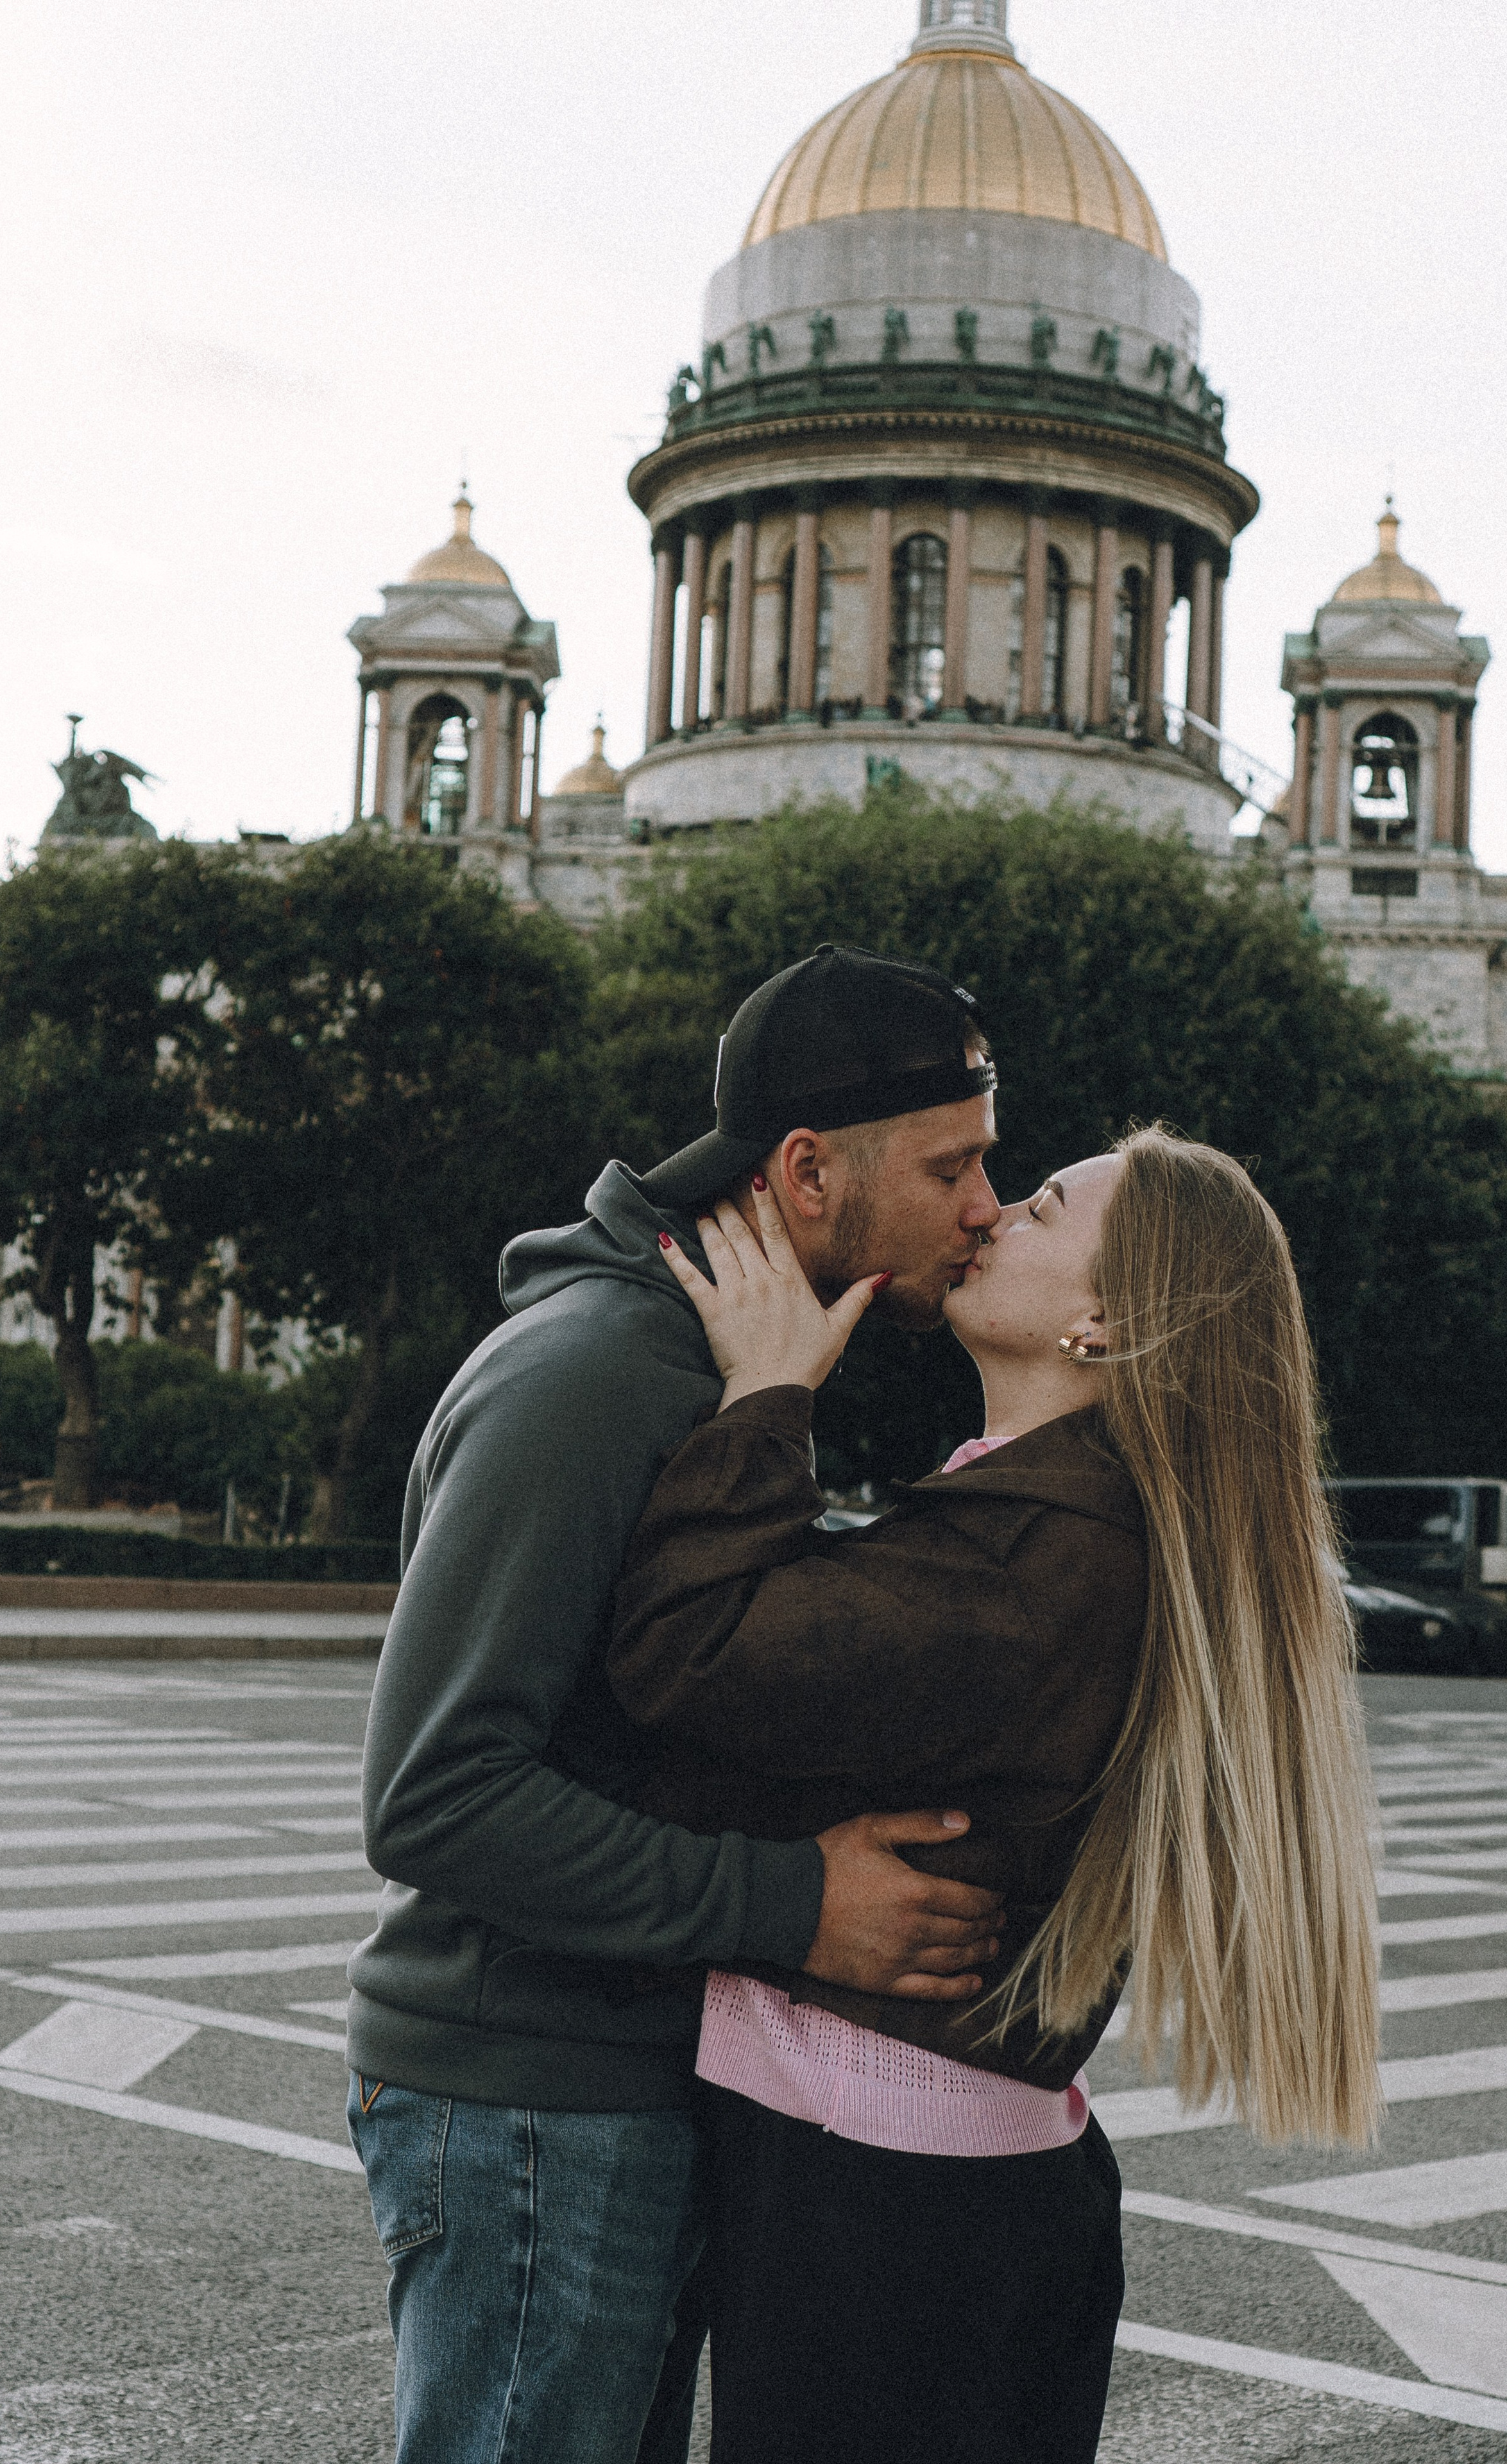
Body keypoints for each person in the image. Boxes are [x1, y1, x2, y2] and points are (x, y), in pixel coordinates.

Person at [610, 1124, 1385, 2464]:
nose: (983, 1218)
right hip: (966, 2179)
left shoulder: (1031, 1563)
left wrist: (764, 1400)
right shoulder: (1067, 1529)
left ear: (1101, 1325)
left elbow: (685, 1657)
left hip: (875, 2194)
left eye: (1038, 1207)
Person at [346, 945, 1006, 2464]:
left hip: (611, 2088)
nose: (986, 1204)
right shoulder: (600, 1368)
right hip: (530, 2104)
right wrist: (791, 1903)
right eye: (953, 1162)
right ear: (805, 1171)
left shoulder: (713, 1353)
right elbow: (434, 1796)